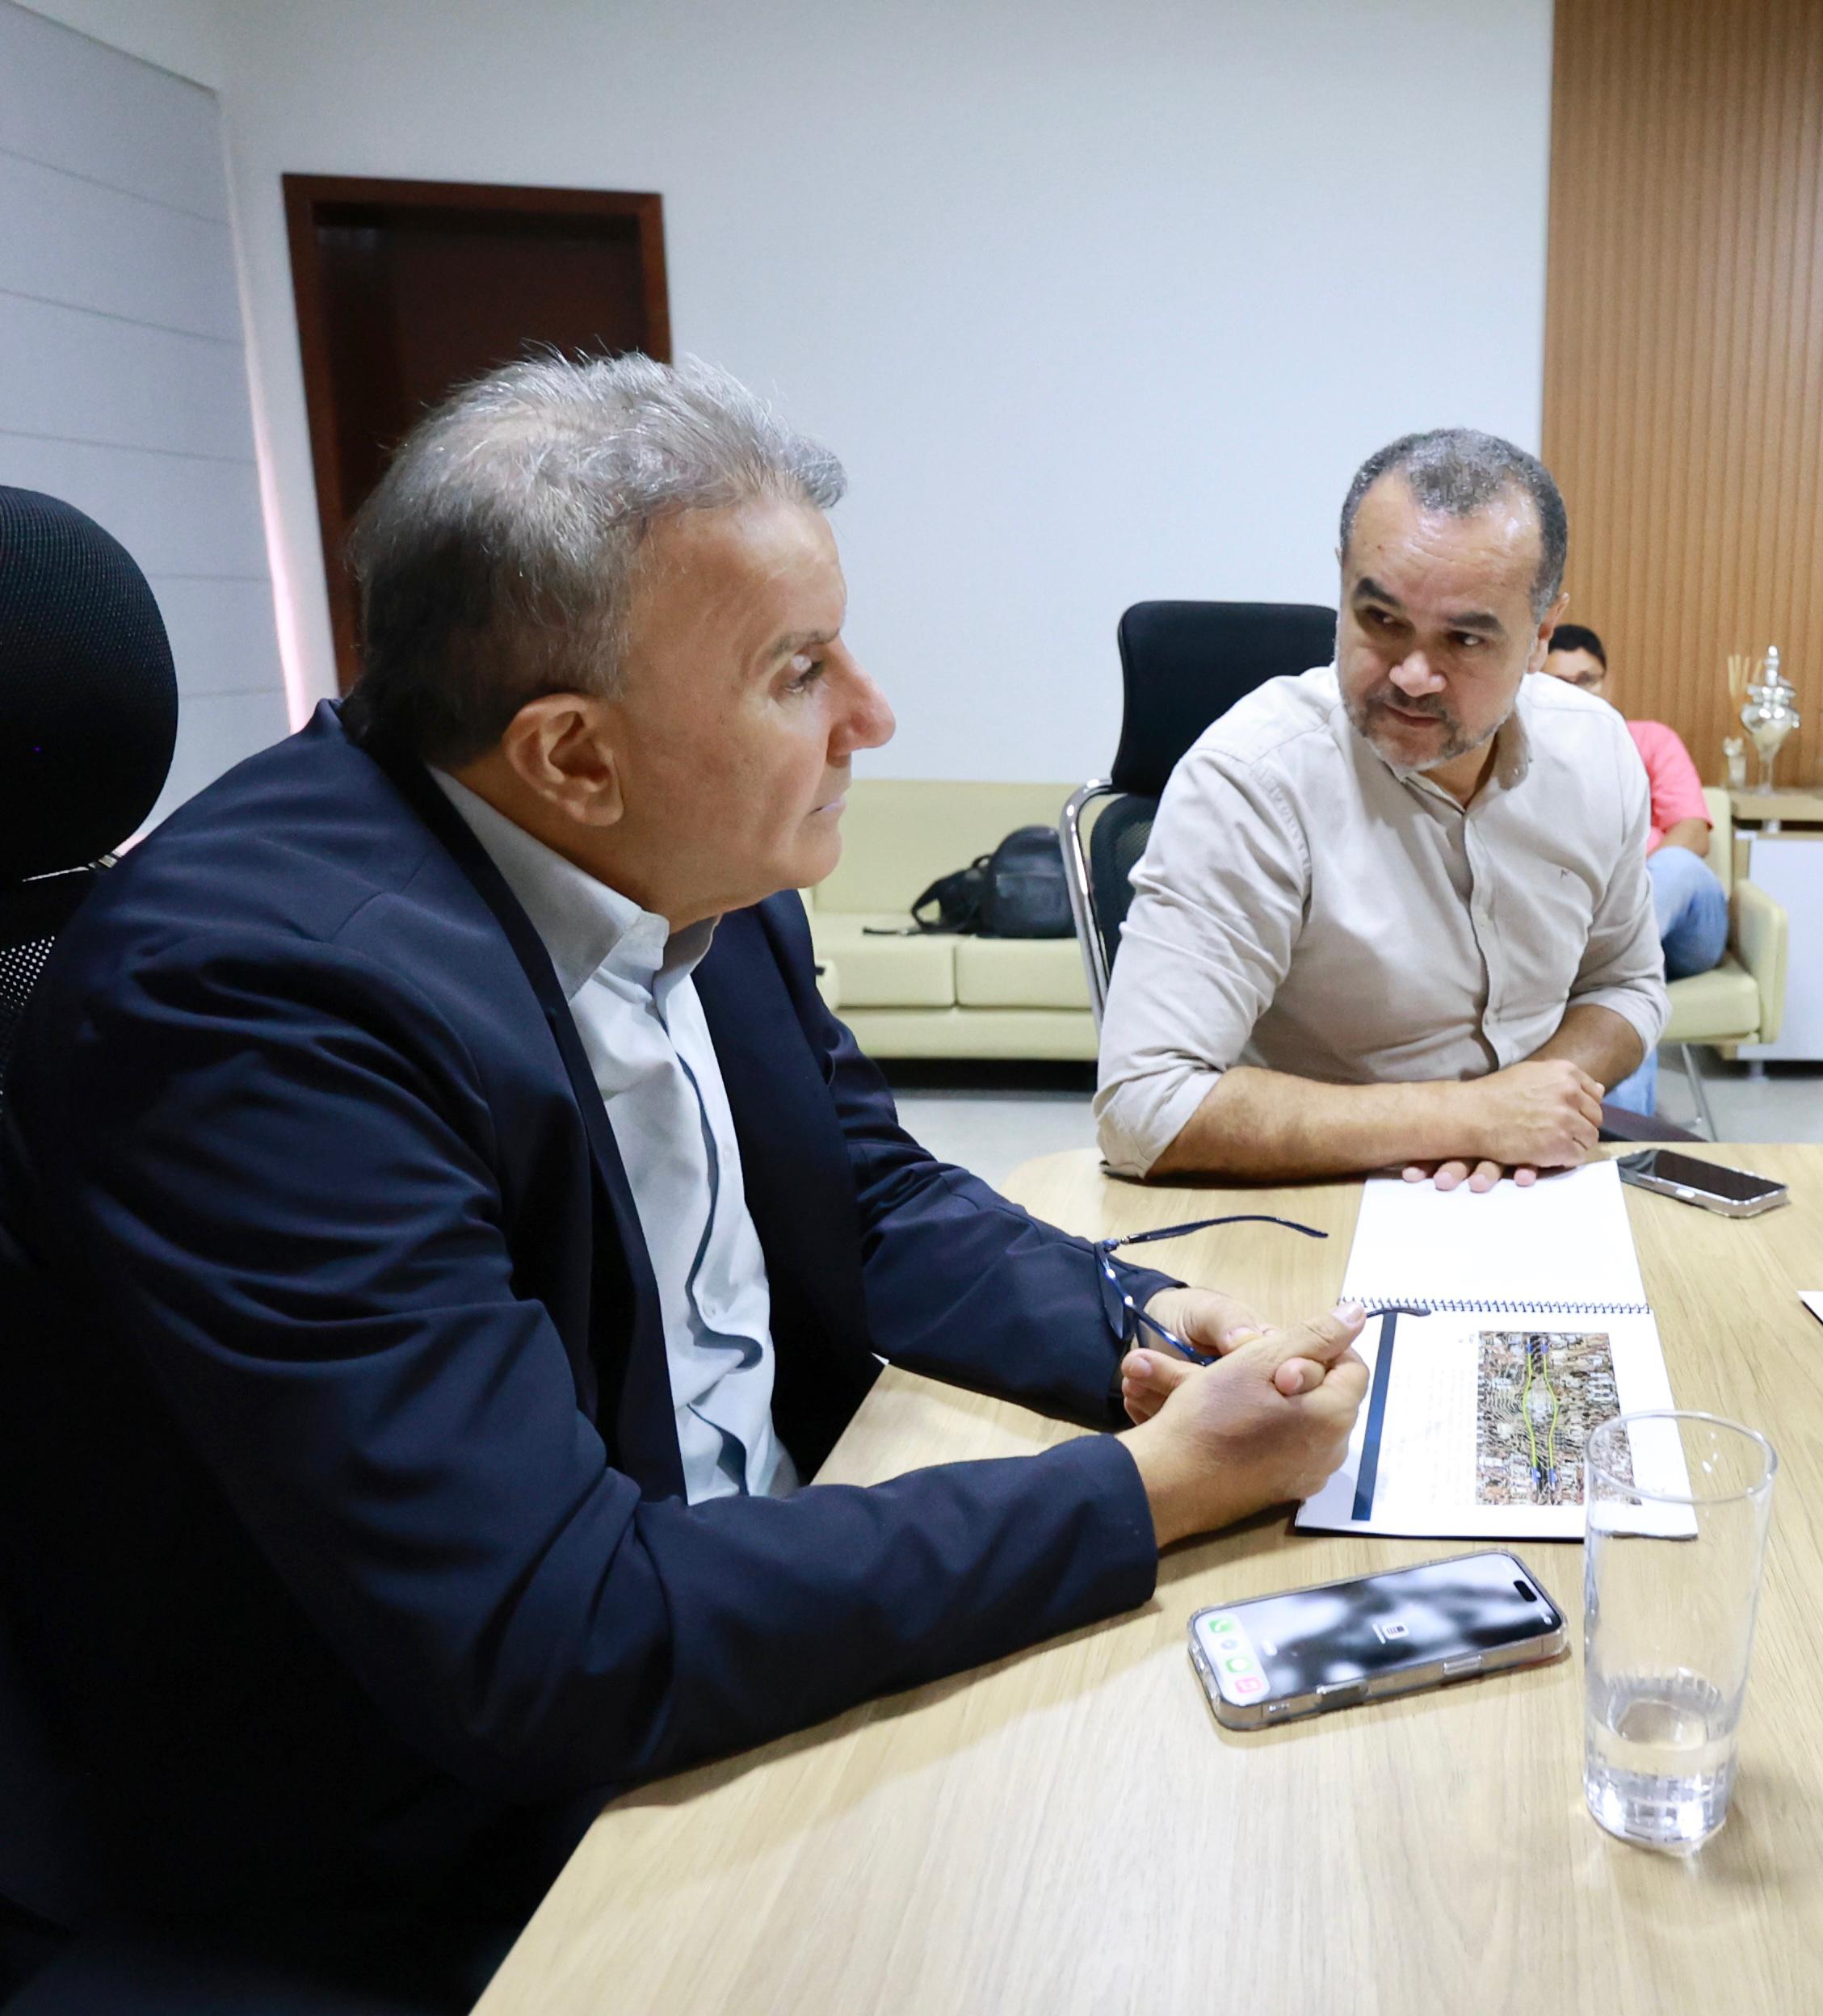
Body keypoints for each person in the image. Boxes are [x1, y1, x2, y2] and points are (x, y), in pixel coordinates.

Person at [0, 356, 1367, 2006]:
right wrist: (1156, 1490)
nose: (873, 714)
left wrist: (1140, 1319)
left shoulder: (691, 860)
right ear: (575, 754)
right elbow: (549, 1633)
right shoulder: (257, 1006)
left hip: (723, 1639)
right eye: (801, 672)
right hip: (435, 1848)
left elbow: (860, 1198)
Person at [1094, 430, 1665, 1191]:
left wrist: (1540, 1098)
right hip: (1317, 1197)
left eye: (1464, 638)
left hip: (1532, 1184)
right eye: (1382, 621)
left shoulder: (1596, 752)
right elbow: (1143, 1107)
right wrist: (1469, 1118)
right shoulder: (1254, 781)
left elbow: (1624, 984)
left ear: (1540, 638)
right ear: (1343, 584)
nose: (1414, 675)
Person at [1541, 623, 1727, 1115]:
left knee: (1676, 866)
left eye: (1588, 680)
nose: (1577, 694)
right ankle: (1619, 1137)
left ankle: (1597, 959)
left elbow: (1694, 832)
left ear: (1609, 682)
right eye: (1559, 684)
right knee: (1618, 990)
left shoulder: (1647, 740)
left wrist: (1626, 887)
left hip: (1685, 921)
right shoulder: (1529, 757)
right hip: (1596, 933)